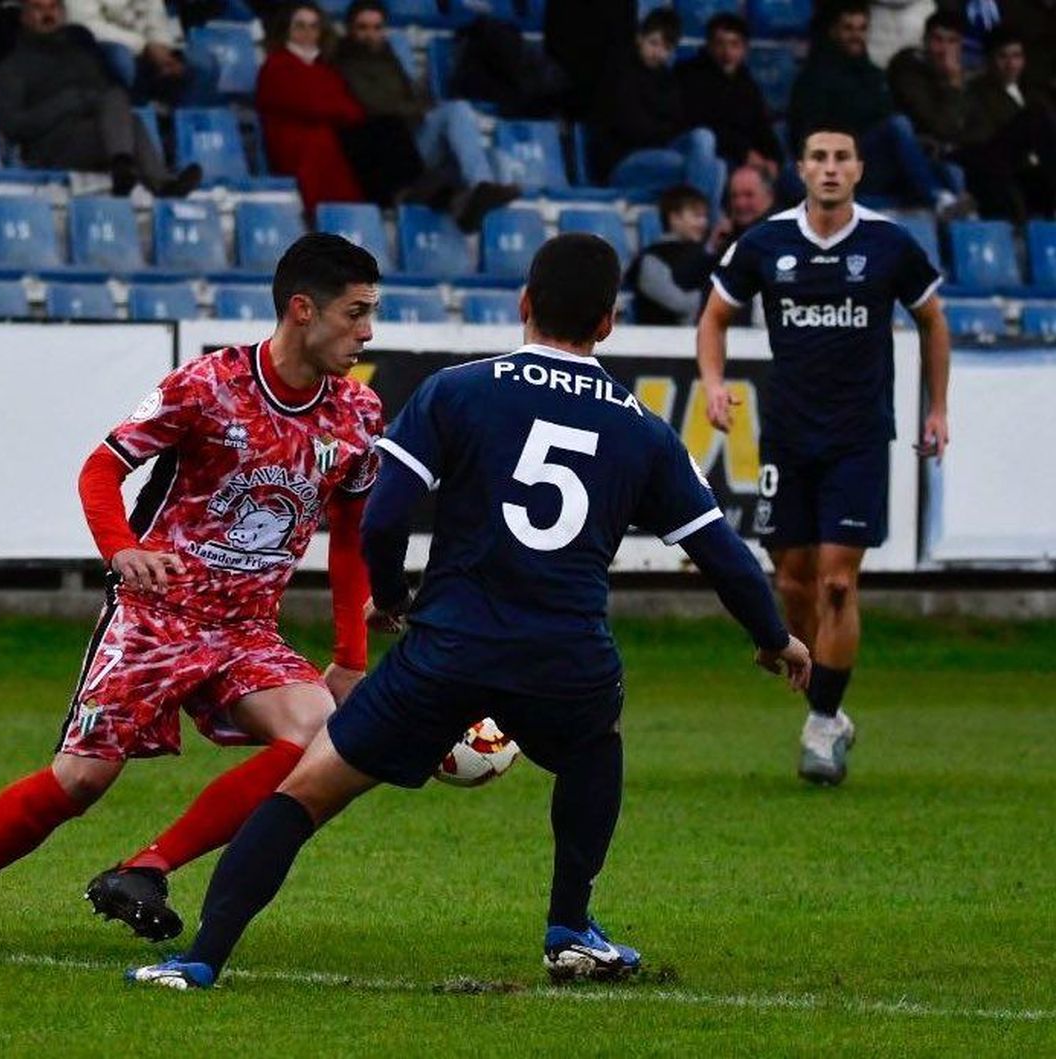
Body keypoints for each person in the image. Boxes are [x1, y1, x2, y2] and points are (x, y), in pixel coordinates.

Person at [125, 232, 812, 991]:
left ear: (524, 303)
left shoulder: (459, 389)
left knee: (306, 791)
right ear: (609, 323)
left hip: (447, 649)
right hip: (565, 657)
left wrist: (392, 600)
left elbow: (383, 520)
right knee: (594, 745)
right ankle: (570, 926)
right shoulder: (642, 428)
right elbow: (720, 552)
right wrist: (776, 637)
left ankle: (200, 958)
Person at [0, 233, 384, 949]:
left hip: (246, 630)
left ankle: (147, 866)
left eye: (372, 314)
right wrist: (122, 550)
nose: (367, 332)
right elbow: (100, 468)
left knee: (317, 737)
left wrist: (350, 654)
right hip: (157, 618)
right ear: (302, 309)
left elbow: (352, 534)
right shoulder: (207, 385)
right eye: (355, 313)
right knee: (79, 781)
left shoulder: (356, 416)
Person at [697, 124, 950, 786]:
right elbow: (715, 317)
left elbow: (933, 319)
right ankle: (828, 705)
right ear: (801, 170)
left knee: (839, 579)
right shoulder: (768, 242)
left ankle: (819, 722)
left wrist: (937, 407)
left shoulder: (889, 243)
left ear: (859, 169)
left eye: (842, 158)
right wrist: (715, 383)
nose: (831, 168)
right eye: (819, 158)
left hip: (860, 437)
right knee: (793, 579)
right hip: (786, 434)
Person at [334, 0, 518, 231]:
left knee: (495, 157)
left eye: (377, 27)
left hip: (412, 137)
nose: (371, 34)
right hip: (390, 153)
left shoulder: (390, 57)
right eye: (363, 27)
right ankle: (476, 194)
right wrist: (415, 108)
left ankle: (479, 194)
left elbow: (419, 98)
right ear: (350, 30)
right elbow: (376, 105)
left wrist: (416, 107)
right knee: (455, 111)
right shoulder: (344, 63)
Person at [0, 0, 200, 198]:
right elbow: (12, 125)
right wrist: (68, 103)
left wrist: (85, 102)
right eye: (38, 7)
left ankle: (148, 177)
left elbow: (100, 94)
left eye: (53, 7)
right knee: (121, 114)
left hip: (92, 134)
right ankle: (136, 172)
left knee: (125, 112)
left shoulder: (81, 51)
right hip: (49, 147)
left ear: (63, 12)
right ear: (24, 16)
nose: (47, 14)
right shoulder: (12, 67)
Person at [787, 0, 964, 212]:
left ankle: (960, 223)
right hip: (840, 164)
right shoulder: (815, 77)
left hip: (875, 162)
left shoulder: (873, 74)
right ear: (833, 31)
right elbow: (806, 136)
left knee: (948, 170)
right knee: (897, 125)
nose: (856, 36)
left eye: (862, 28)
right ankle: (939, 200)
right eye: (848, 28)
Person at [591, 8, 723, 210]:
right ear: (639, 39)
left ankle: (694, 222)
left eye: (666, 48)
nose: (658, 52)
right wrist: (666, 132)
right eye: (653, 43)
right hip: (624, 160)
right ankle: (700, 226)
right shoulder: (619, 73)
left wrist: (666, 132)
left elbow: (680, 123)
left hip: (662, 154)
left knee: (707, 143)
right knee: (706, 170)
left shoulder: (668, 80)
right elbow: (633, 129)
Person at [254, 1, 366, 213]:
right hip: (291, 141)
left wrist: (329, 108)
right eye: (300, 25)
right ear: (287, 29)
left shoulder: (324, 68)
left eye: (314, 26)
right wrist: (332, 109)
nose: (307, 32)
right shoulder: (276, 65)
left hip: (322, 139)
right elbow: (310, 105)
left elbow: (353, 110)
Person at [959, 25, 1056, 222]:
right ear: (988, 60)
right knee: (1035, 117)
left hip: (1035, 172)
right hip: (999, 165)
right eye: (1003, 57)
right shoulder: (976, 93)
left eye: (1016, 56)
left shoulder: (1034, 94)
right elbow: (983, 141)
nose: (1011, 64)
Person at [675, 12, 783, 177]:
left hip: (745, 156)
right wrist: (745, 153)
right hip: (713, 154)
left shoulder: (746, 82)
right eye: (720, 44)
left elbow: (762, 126)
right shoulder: (690, 76)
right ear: (709, 46)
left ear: (744, 49)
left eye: (734, 44)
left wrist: (772, 159)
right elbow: (703, 125)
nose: (727, 52)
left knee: (792, 174)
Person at [65, 0, 217, 104]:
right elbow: (86, 25)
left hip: (151, 47)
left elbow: (155, 12)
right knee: (121, 60)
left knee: (204, 63)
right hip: (106, 47)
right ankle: (132, 128)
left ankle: (185, 131)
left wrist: (162, 46)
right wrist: (144, 46)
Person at [887, 11, 970, 156]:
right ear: (925, 40)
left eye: (952, 41)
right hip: (920, 152)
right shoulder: (908, 69)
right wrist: (952, 86)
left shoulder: (967, 75)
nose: (944, 50)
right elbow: (941, 128)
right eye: (938, 40)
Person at [628, 184, 714, 325]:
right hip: (660, 342)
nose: (703, 222)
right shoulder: (653, 258)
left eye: (705, 216)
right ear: (674, 218)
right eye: (697, 216)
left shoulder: (704, 254)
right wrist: (721, 300)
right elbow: (679, 303)